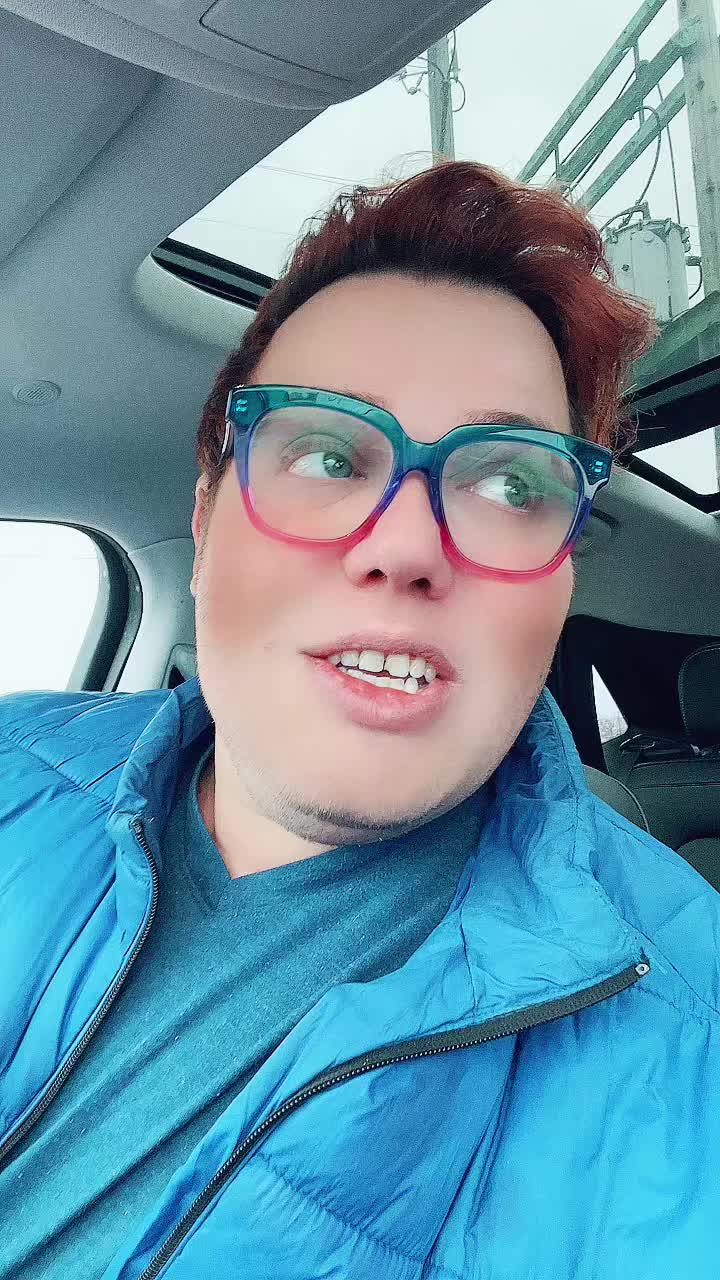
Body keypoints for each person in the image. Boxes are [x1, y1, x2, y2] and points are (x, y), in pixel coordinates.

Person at [1, 160, 718, 1280]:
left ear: (564, 576)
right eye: (328, 455)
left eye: (510, 484)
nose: (407, 544)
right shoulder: (13, 761)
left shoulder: (694, 1040)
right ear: (207, 515)